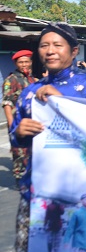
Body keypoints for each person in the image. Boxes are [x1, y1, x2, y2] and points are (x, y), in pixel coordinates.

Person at [9, 22, 86, 252]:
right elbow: (14, 135)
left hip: (79, 195)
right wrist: (19, 132)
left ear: (74, 51)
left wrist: (62, 101)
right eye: (44, 45)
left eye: (57, 45)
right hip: (36, 190)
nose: (50, 51)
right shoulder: (30, 91)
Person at [2, 50, 37, 187]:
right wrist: (12, 127)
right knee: (20, 154)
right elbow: (7, 103)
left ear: (31, 62)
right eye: (21, 62)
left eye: (26, 61)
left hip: (33, 123)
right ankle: (21, 183)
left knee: (33, 153)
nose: (24, 64)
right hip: (19, 123)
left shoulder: (32, 80)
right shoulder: (11, 80)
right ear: (16, 63)